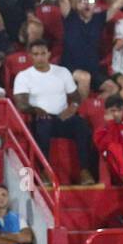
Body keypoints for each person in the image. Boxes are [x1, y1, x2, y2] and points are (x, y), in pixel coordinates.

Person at [14, 40, 97, 185]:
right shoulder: (24, 76)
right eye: (36, 54)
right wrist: (35, 109)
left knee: (81, 125)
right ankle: (44, 171)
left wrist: (72, 109)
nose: (40, 57)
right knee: (43, 125)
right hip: (39, 118)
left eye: (43, 54)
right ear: (30, 56)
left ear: (49, 54)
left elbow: (76, 97)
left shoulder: (62, 72)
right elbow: (21, 104)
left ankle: (84, 171)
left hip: (62, 117)